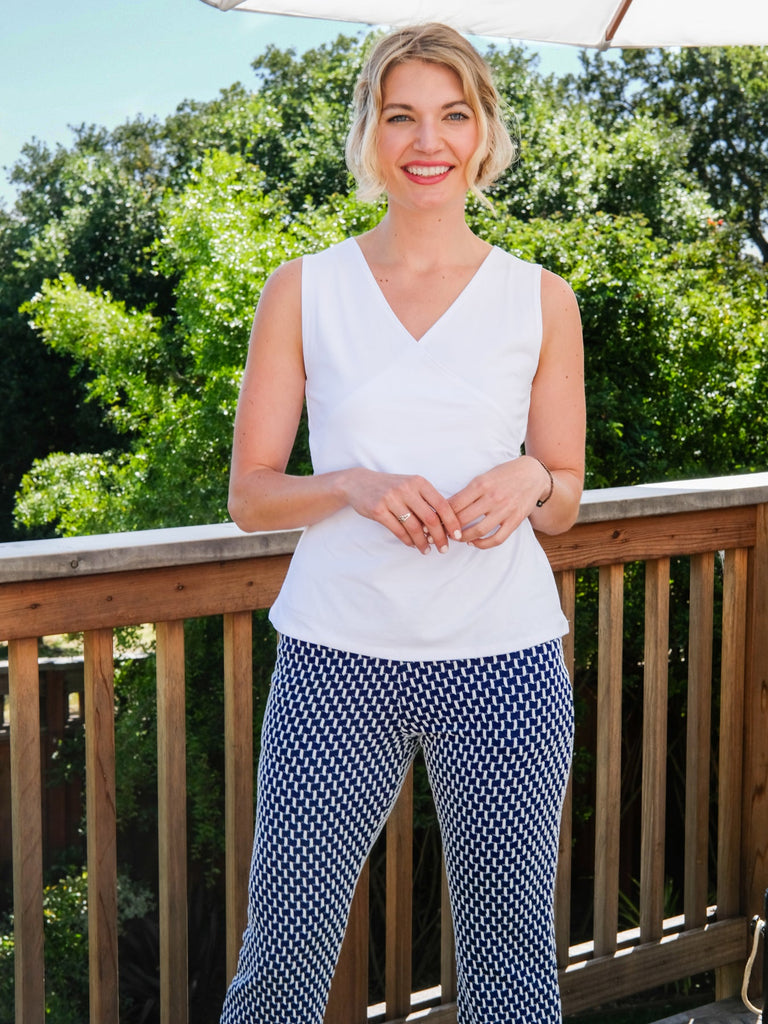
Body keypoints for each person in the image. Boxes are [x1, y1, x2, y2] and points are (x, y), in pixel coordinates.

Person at [221, 21, 585, 1024]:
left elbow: (565, 498)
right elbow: (251, 495)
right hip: (335, 659)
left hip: (507, 663)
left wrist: (531, 477)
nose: (429, 141)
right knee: (282, 960)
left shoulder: (542, 300)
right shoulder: (302, 289)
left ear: (484, 133)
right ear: (371, 136)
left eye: (453, 115)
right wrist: (347, 484)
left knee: (511, 967)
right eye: (402, 116)